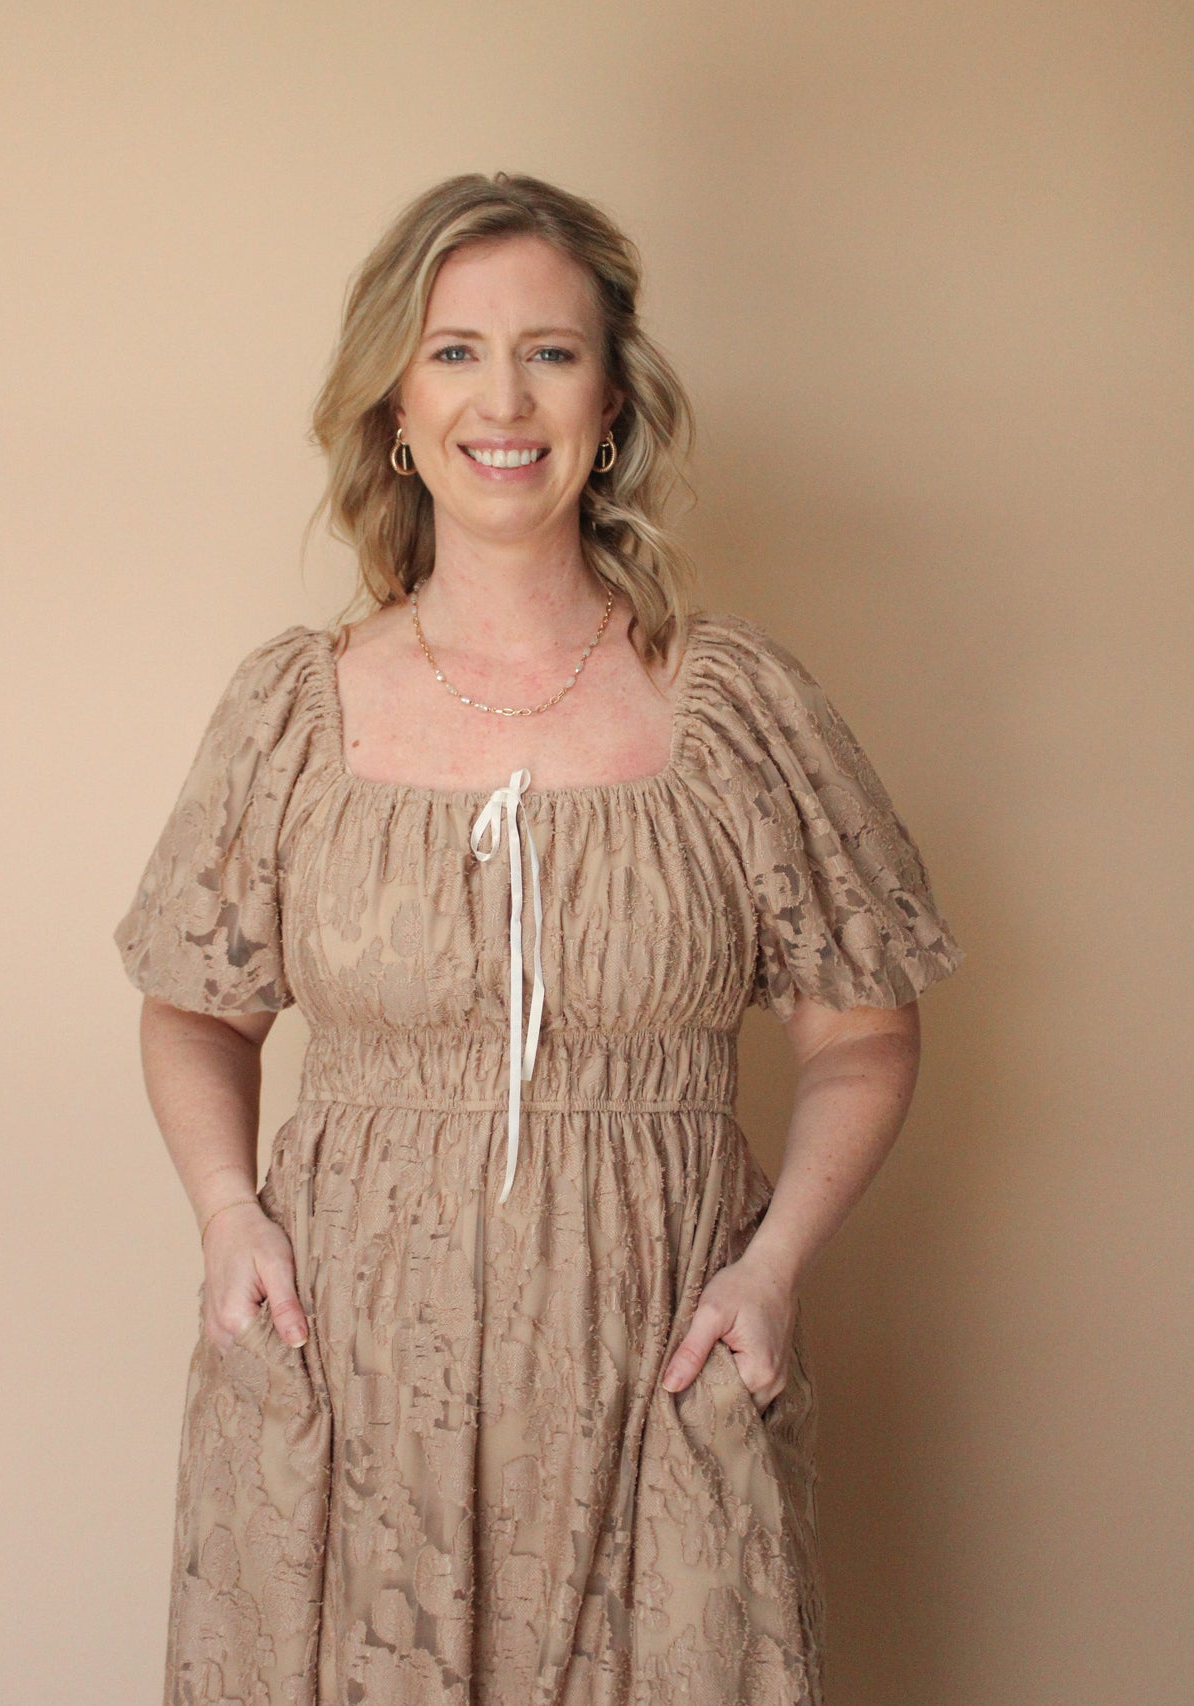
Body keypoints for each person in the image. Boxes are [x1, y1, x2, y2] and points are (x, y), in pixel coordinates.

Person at [113, 171, 965, 1706]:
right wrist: (229, 1219)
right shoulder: (292, 709)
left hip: (655, 1380)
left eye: (550, 353)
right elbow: (194, 1007)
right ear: (395, 401)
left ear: (610, 400)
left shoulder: (734, 708)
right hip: (353, 1387)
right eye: (454, 350)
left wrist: (772, 1270)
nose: (501, 399)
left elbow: (861, 1030)